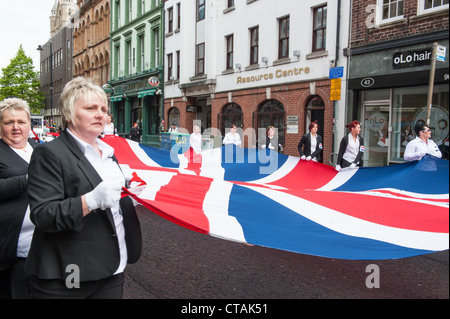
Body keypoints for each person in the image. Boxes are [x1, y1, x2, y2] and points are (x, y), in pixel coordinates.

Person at [25, 77, 142, 299]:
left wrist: (128, 195)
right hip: (71, 272)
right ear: (69, 114)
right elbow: (42, 214)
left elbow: (111, 202)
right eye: (91, 108)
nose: (101, 114)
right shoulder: (49, 154)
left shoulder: (108, 151)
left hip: (113, 267)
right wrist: (90, 201)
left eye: (104, 109)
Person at [0, 98, 39, 299]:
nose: (16, 127)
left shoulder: (41, 150)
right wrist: (27, 179)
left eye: (21, 122)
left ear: (29, 124)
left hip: (46, 243)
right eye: (8, 122)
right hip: (12, 248)